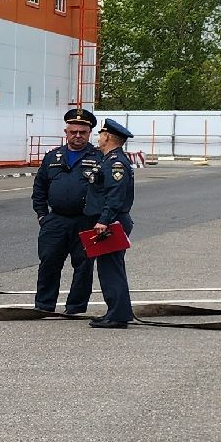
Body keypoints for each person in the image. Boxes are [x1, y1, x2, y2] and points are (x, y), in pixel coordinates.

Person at [30, 107, 102, 314]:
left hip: (86, 221)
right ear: (66, 132)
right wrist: (42, 215)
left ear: (89, 133)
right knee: (49, 263)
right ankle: (44, 306)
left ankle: (75, 307)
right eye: (73, 132)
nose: (78, 136)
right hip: (56, 221)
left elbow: (107, 190)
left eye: (83, 132)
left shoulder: (99, 157)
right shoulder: (52, 157)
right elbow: (39, 187)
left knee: (84, 266)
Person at [86, 120, 137, 329]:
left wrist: (103, 220)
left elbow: (115, 195)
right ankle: (115, 311)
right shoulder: (108, 160)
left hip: (111, 222)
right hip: (110, 220)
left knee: (111, 269)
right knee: (109, 268)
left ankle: (118, 315)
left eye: (101, 134)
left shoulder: (115, 163)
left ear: (107, 137)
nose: (98, 138)